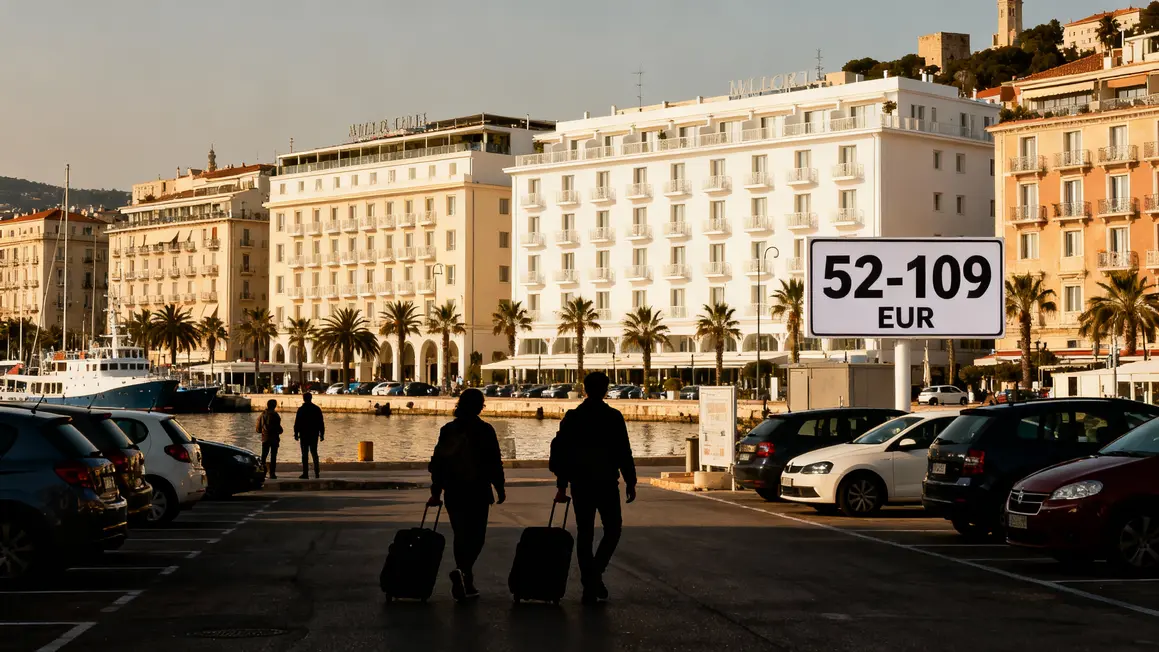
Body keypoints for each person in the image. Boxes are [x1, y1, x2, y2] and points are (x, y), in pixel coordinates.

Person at [550, 371, 637, 605]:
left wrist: (562, 485)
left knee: (585, 533)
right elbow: (623, 452)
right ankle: (595, 574)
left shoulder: (573, 417)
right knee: (613, 529)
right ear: (605, 390)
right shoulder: (613, 417)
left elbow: (562, 453)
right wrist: (631, 480)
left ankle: (591, 578)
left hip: (581, 484)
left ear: (585, 389)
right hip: (607, 483)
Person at [427, 388, 505, 601]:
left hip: (454, 490)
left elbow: (438, 462)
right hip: (478, 490)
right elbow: (494, 461)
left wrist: (436, 490)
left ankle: (464, 574)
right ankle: (464, 572)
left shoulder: (448, 429)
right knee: (477, 536)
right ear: (480, 406)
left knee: (460, 533)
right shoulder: (485, 430)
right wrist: (500, 486)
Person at [293, 392, 325, 479]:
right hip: (314, 434)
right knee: (314, 453)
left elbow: (297, 423)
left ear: (304, 399)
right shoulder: (317, 409)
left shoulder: (301, 409)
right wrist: (322, 434)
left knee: (304, 454)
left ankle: (305, 473)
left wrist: (296, 433)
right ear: (311, 398)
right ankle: (317, 473)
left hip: (304, 435)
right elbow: (321, 423)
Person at [256, 399, 282, 479]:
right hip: (274, 438)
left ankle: (262, 472)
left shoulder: (262, 415)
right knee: (273, 456)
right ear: (274, 406)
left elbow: (258, 429)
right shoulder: (275, 415)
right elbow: (279, 429)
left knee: (264, 456)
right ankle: (272, 473)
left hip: (265, 438)